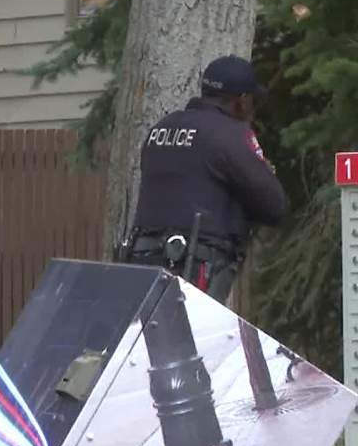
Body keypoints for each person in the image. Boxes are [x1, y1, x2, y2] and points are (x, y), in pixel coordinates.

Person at [123, 55, 287, 303]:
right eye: (251, 100)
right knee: (188, 329)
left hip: (143, 261)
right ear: (242, 100)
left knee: (149, 327)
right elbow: (274, 205)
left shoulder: (161, 128)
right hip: (196, 266)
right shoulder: (229, 135)